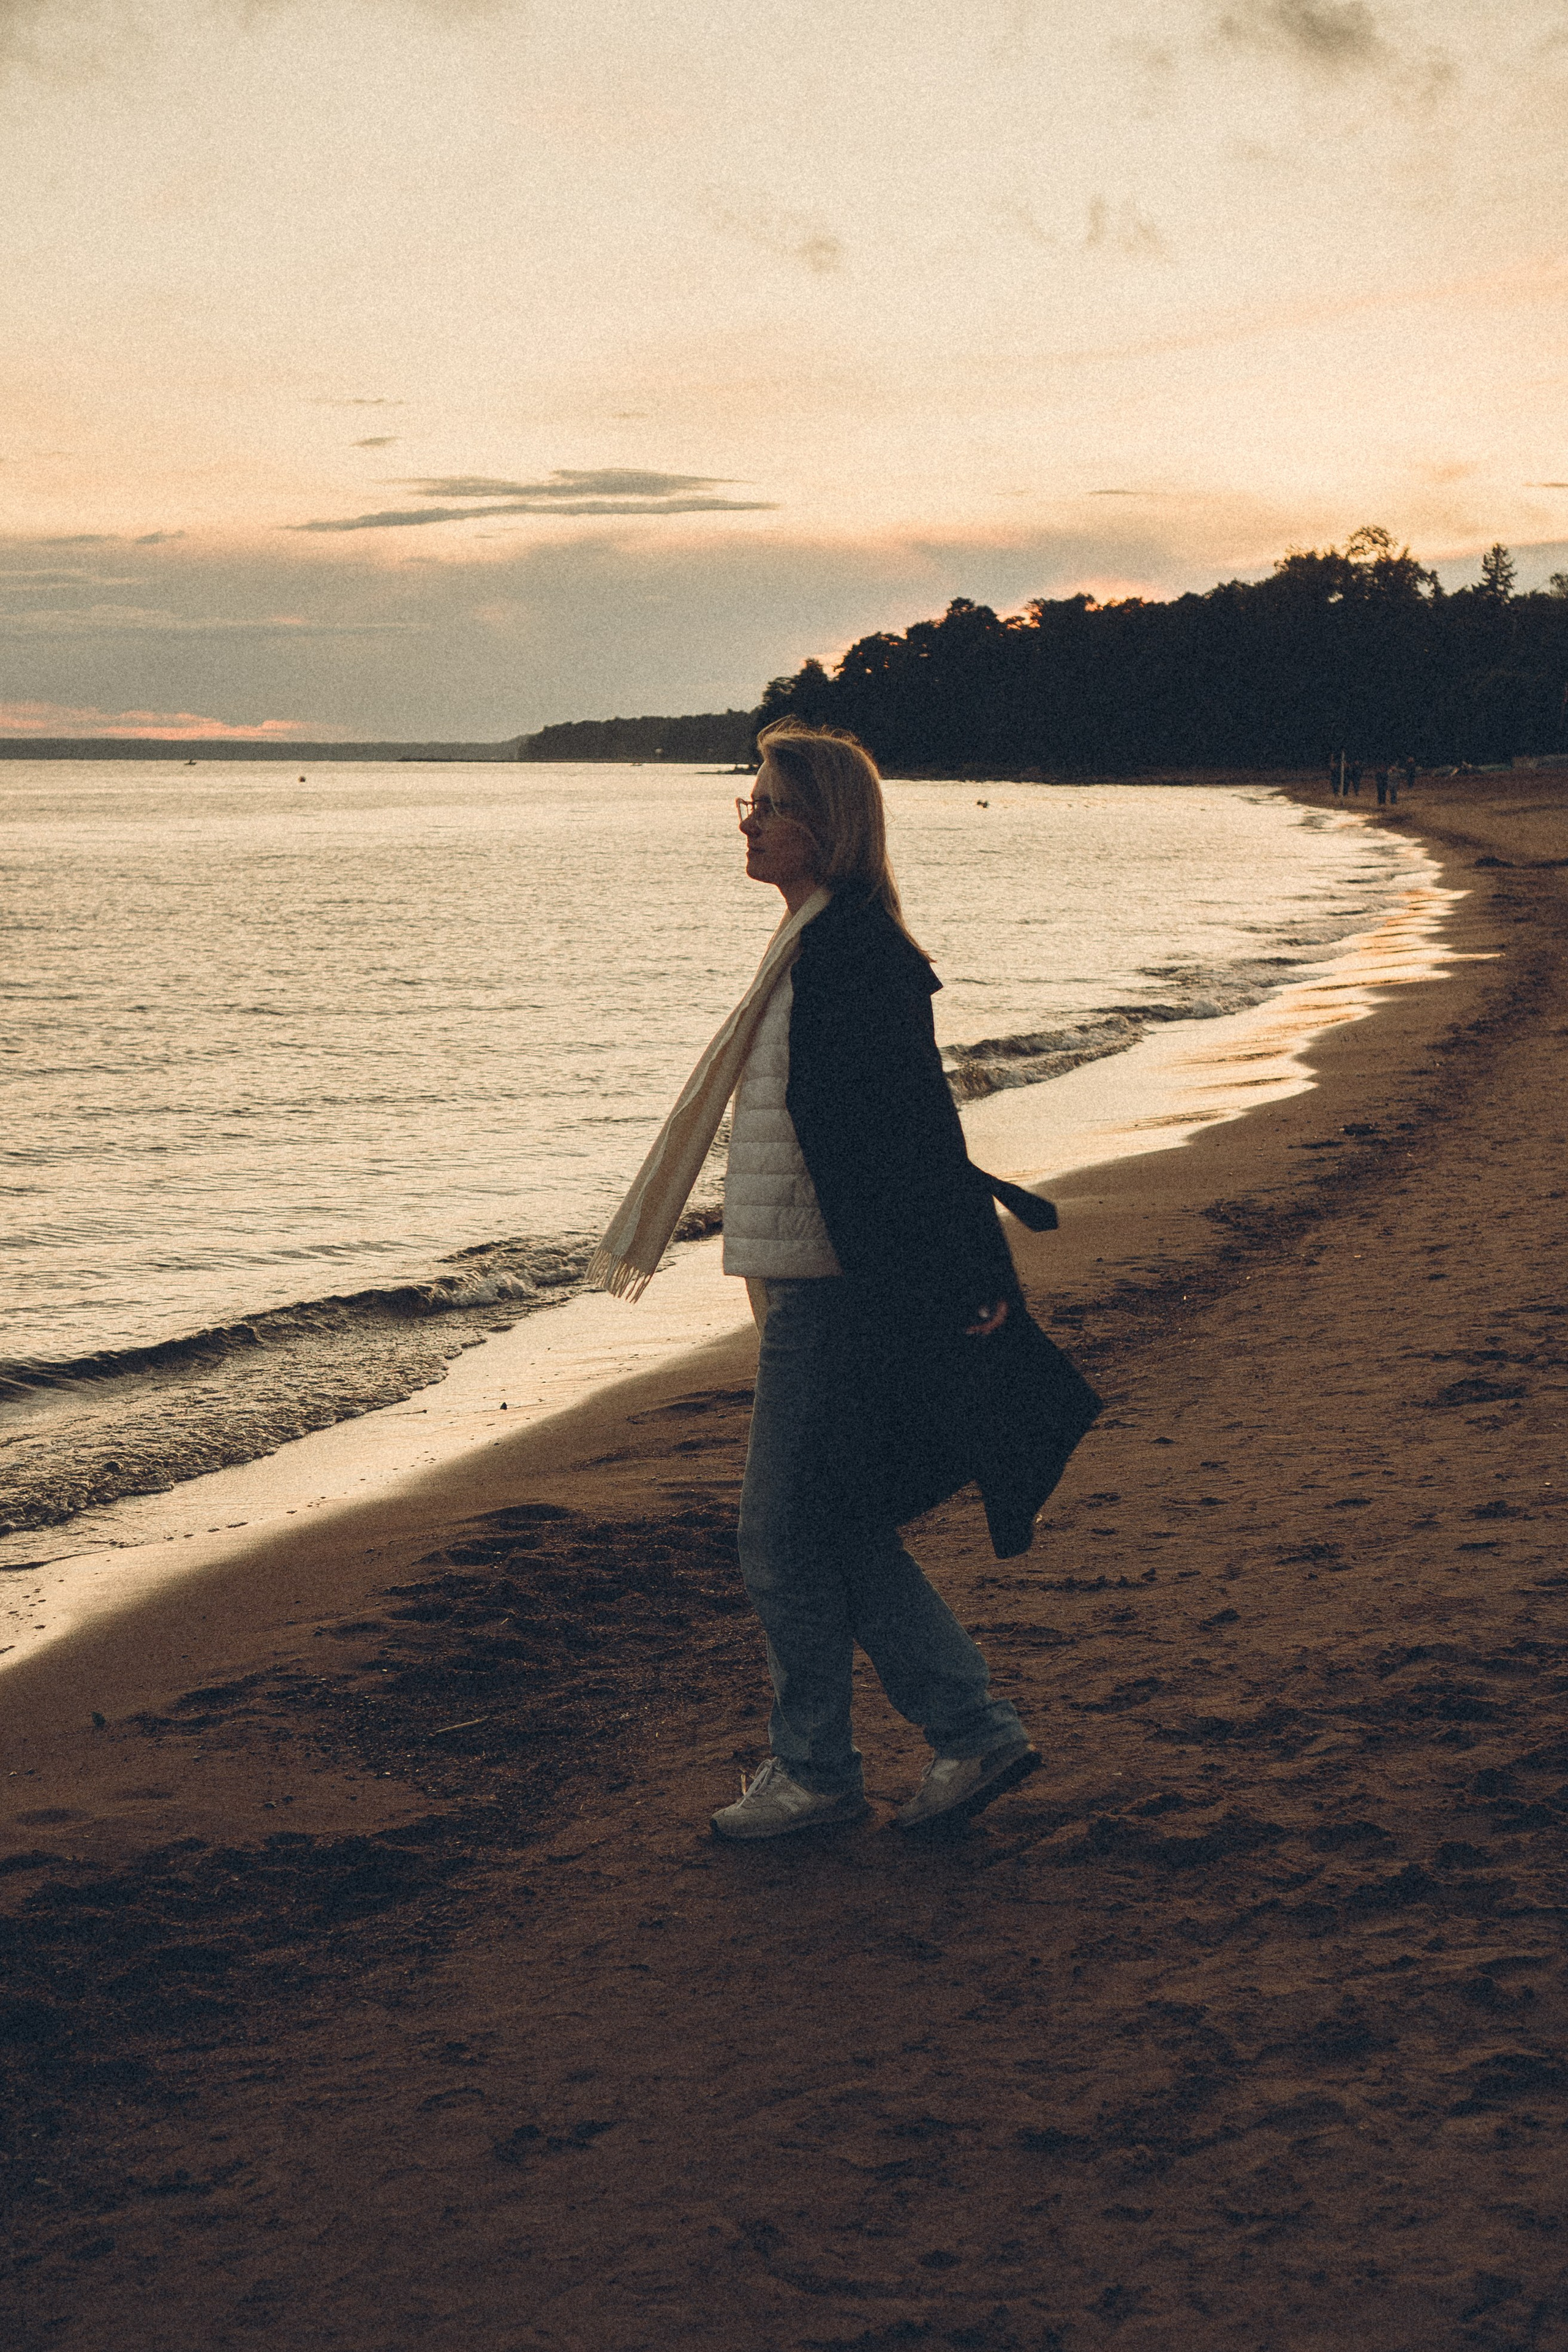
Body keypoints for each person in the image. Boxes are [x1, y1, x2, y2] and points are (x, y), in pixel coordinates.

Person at [588, 720, 1099, 1842]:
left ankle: (827, 1769)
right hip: (809, 1280)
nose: (750, 820)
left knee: (782, 1536)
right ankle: (959, 1735)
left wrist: (966, 1282)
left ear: (828, 824)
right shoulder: (817, 942)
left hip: (838, 1288)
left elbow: (910, 1137)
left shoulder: (853, 955)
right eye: (748, 804)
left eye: (768, 804)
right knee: (831, 1526)